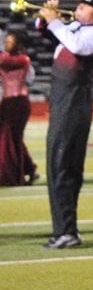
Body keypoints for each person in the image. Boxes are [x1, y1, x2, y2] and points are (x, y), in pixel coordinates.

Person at [38, 0, 93, 248]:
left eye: (84, 7)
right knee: (58, 167)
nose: (78, 10)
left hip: (73, 107)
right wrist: (46, 18)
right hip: (62, 106)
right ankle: (64, 229)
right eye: (79, 6)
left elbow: (76, 46)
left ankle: (67, 231)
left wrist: (55, 21)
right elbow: (51, 36)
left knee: (63, 167)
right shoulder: (73, 28)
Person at [0, 31, 38, 185]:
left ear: (18, 44)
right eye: (6, 41)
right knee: (12, 139)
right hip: (6, 103)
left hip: (18, 103)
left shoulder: (23, 59)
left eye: (10, 41)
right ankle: (29, 168)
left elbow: (6, 62)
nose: (7, 44)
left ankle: (12, 175)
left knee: (9, 139)